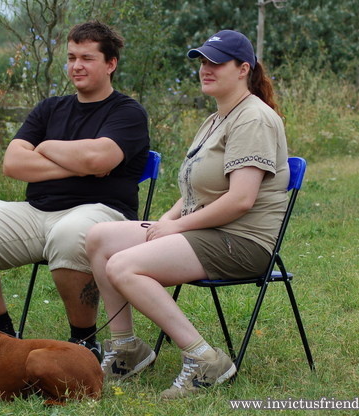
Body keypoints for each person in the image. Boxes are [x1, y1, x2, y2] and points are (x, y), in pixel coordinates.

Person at [86, 29, 289, 398]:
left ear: (244, 68)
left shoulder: (253, 119)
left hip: (242, 241)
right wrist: (167, 220)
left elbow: (241, 200)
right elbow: (197, 189)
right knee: (100, 237)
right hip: (208, 230)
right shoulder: (217, 119)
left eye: (217, 62)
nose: (205, 68)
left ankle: (204, 358)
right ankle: (126, 349)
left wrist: (176, 227)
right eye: (202, 61)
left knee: (123, 266)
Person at [0, 21, 150, 361]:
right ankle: (1, 336)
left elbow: (100, 157)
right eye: (71, 57)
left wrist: (47, 146)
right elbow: (13, 163)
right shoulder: (50, 108)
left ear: (110, 64)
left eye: (87, 58)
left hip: (103, 213)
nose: (76, 66)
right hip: (37, 212)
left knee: (70, 234)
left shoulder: (127, 112)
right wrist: (81, 163)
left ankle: (84, 342)